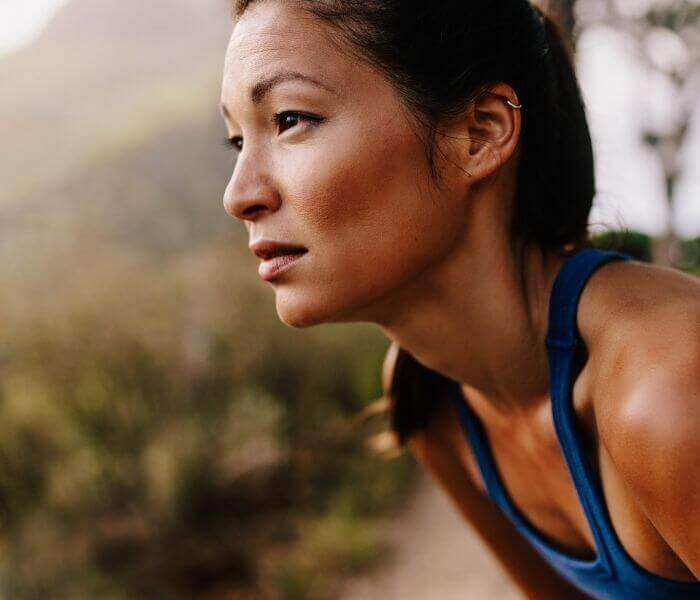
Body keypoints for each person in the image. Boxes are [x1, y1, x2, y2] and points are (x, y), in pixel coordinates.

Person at [219, 1, 700, 597]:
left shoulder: (672, 389)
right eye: (236, 140)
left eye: (290, 119)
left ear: (479, 133)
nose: (239, 195)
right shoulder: (431, 399)